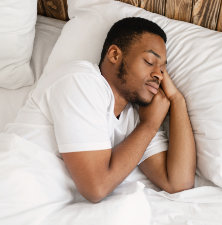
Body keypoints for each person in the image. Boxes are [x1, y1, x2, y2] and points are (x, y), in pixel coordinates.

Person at [4, 17, 196, 203]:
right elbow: (96, 188)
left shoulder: (136, 117)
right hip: (13, 185)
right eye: (149, 62)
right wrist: (150, 125)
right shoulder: (80, 80)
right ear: (114, 55)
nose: (158, 75)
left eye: (163, 69)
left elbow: (178, 182)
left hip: (40, 200)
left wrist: (177, 100)